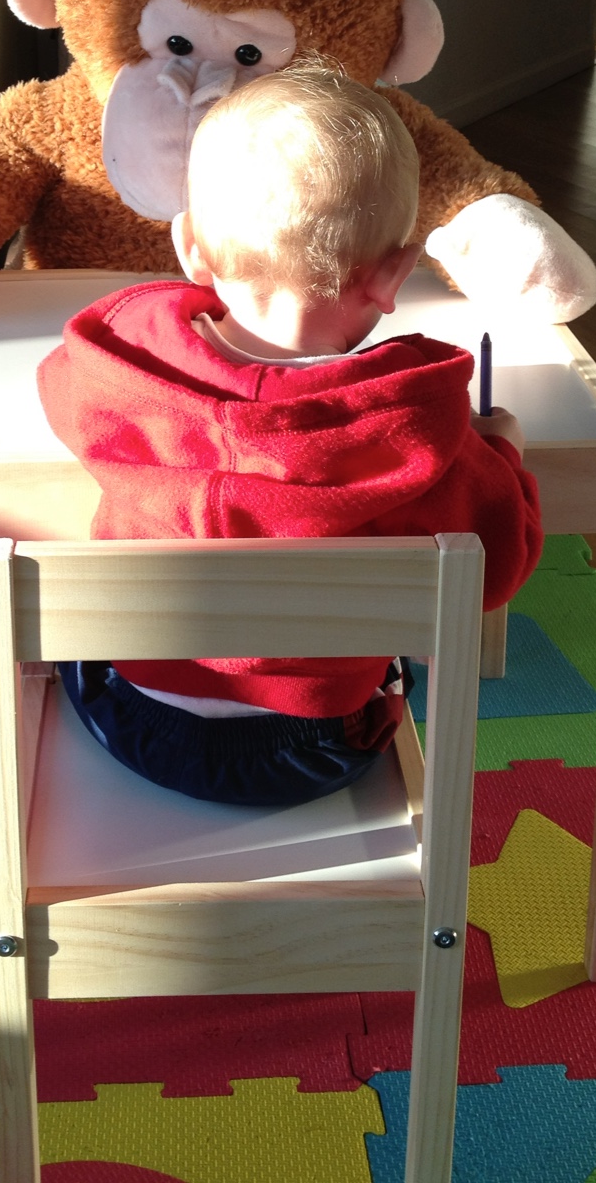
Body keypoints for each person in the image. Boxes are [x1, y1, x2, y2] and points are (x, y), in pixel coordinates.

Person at [37, 61, 542, 807]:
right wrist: (503, 450)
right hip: (314, 747)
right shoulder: (413, 424)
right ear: (394, 274)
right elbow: (495, 572)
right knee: (405, 627)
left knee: (70, 635)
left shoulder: (123, 364)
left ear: (190, 249)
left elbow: (53, 384)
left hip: (136, 719)